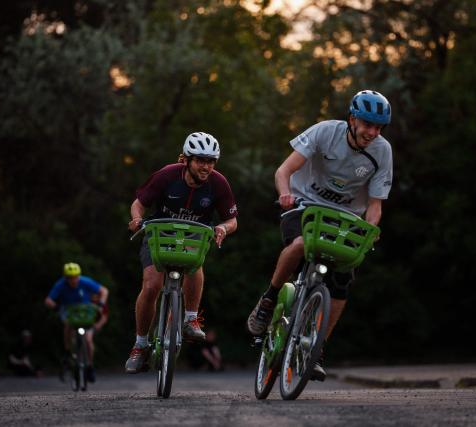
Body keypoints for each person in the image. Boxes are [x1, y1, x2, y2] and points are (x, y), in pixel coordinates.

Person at [246, 90, 393, 381]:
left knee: (341, 284)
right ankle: (269, 299)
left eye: (378, 127)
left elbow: (375, 206)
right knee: (299, 244)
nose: (372, 133)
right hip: (303, 204)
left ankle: (316, 348)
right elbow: (283, 170)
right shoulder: (325, 132)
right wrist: (285, 193)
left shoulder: (382, 151)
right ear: (352, 119)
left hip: (345, 219)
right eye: (367, 125)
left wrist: (372, 229)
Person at [125, 131, 238, 374]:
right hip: (159, 235)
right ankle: (140, 345)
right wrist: (137, 219)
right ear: (186, 160)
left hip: (192, 238)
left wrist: (222, 228)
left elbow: (232, 220)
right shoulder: (166, 176)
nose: (206, 167)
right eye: (200, 160)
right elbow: (139, 204)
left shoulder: (219, 183)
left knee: (195, 266)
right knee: (151, 286)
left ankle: (190, 319)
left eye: (210, 161)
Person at [44, 262, 109, 383]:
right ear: (66, 277)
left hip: (85, 313)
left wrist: (100, 304)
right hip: (69, 311)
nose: (74, 280)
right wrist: (56, 307)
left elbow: (104, 291)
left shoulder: (85, 281)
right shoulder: (60, 285)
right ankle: (68, 350)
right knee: (68, 325)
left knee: (89, 340)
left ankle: (90, 365)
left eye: (76, 277)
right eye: (70, 277)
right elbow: (48, 300)